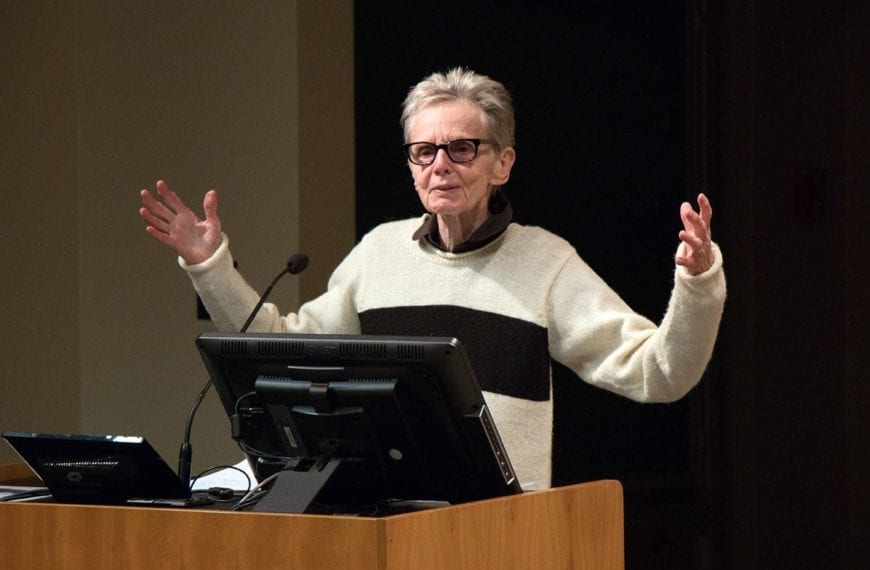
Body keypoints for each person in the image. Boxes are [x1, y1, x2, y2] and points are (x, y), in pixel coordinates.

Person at [139, 67, 726, 490]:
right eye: (423, 151)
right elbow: (278, 348)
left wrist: (698, 284)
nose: (440, 164)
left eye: (461, 148)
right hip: (385, 523)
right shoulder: (379, 252)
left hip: (498, 534)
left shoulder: (546, 262)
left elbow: (659, 374)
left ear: (503, 163)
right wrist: (209, 263)